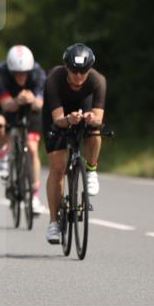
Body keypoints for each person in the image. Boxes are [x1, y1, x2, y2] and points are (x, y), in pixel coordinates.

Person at [42, 43, 106, 244]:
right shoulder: (54, 79)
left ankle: (91, 170)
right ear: (66, 68)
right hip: (58, 114)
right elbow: (57, 119)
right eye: (74, 71)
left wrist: (89, 118)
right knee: (58, 168)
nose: (79, 76)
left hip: (83, 106)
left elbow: (98, 118)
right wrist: (69, 120)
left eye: (83, 71)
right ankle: (53, 222)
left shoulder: (97, 81)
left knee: (94, 132)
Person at [0, 45, 47, 214]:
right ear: (10, 69)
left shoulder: (38, 73)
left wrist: (31, 99)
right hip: (6, 106)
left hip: (31, 109)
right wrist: (17, 101)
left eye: (24, 73)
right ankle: (3, 155)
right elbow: (7, 105)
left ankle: (35, 196)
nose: (21, 77)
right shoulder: (0, 73)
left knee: (33, 149)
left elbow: (40, 104)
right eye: (17, 74)